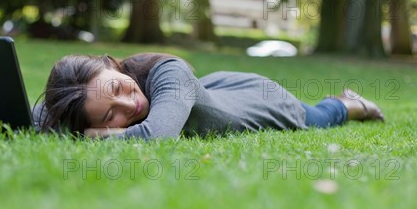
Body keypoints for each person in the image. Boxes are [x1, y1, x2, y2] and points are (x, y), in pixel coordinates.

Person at [33, 53, 384, 139]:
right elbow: (39, 115)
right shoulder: (93, 100)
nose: (130, 104)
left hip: (262, 98)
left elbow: (157, 134)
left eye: (117, 88)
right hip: (209, 91)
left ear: (112, 65)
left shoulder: (169, 70)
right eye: (111, 117)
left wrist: (104, 133)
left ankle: (353, 102)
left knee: (320, 117)